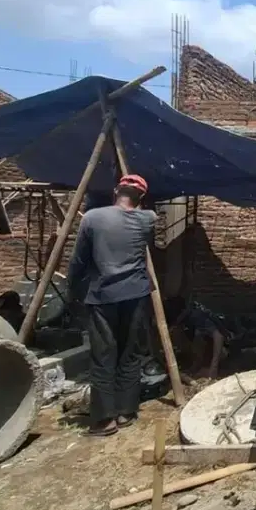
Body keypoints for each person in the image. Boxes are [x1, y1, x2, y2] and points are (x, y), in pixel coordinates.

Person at [66, 174, 156, 437]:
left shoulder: (92, 218)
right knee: (130, 353)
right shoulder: (148, 219)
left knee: (103, 356)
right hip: (136, 294)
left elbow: (79, 260)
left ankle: (105, 420)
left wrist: (73, 290)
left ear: (116, 190)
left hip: (103, 295)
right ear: (142, 197)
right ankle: (126, 412)